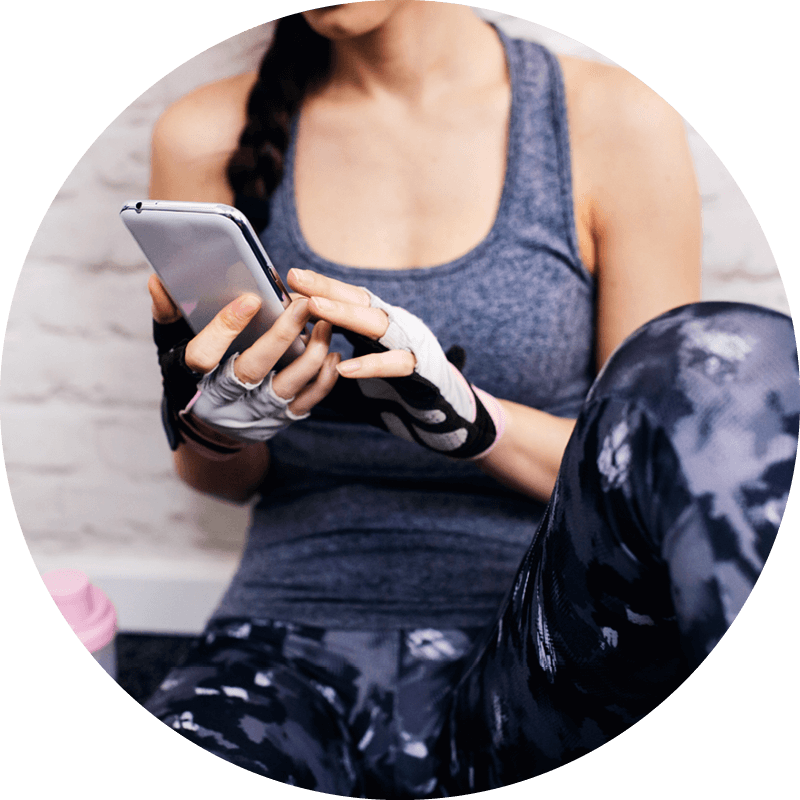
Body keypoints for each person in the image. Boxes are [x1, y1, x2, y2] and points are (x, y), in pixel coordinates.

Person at [140, 3, 798, 795]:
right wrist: (213, 426)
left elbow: (648, 477)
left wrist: (474, 421)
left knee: (723, 351)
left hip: (534, 649)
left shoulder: (608, 118)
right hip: (288, 633)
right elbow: (222, 482)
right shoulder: (202, 133)